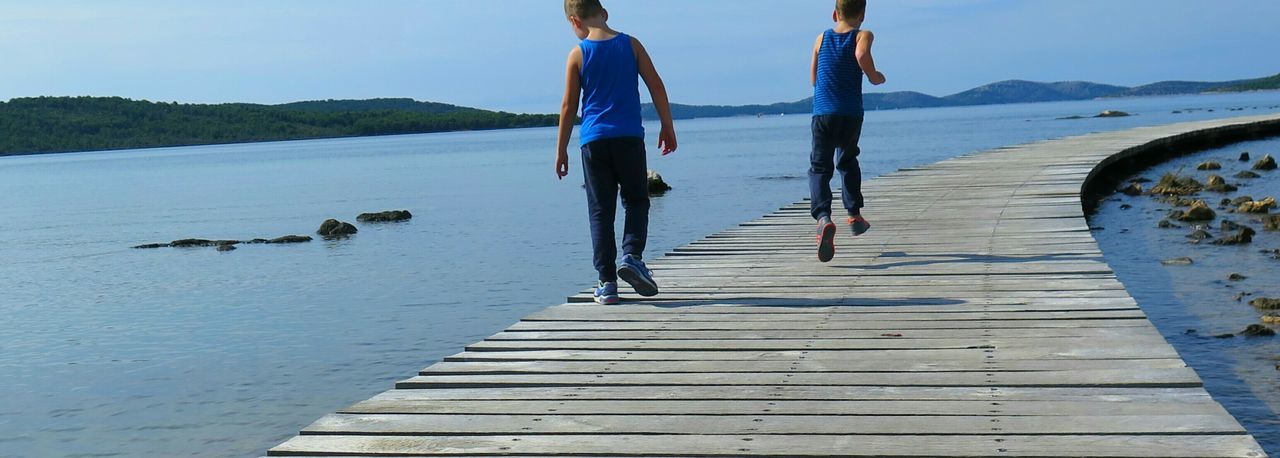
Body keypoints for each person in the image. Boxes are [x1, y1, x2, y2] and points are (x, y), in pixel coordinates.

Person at [555, 0, 678, 304]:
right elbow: (657, 86)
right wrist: (667, 125)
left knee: (600, 212)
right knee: (636, 200)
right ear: (605, 13)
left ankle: (607, 284)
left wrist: (561, 150)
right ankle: (632, 256)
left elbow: (569, 107)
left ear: (574, 22)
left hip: (593, 141)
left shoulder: (578, 54)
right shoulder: (631, 45)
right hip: (629, 139)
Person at [809, 0, 886, 262]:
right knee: (848, 161)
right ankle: (853, 214)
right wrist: (875, 76)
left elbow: (813, 78)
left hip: (823, 113)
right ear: (862, 14)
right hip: (851, 114)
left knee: (820, 167)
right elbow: (862, 55)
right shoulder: (863, 34)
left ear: (834, 14)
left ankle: (823, 217)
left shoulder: (821, 37)